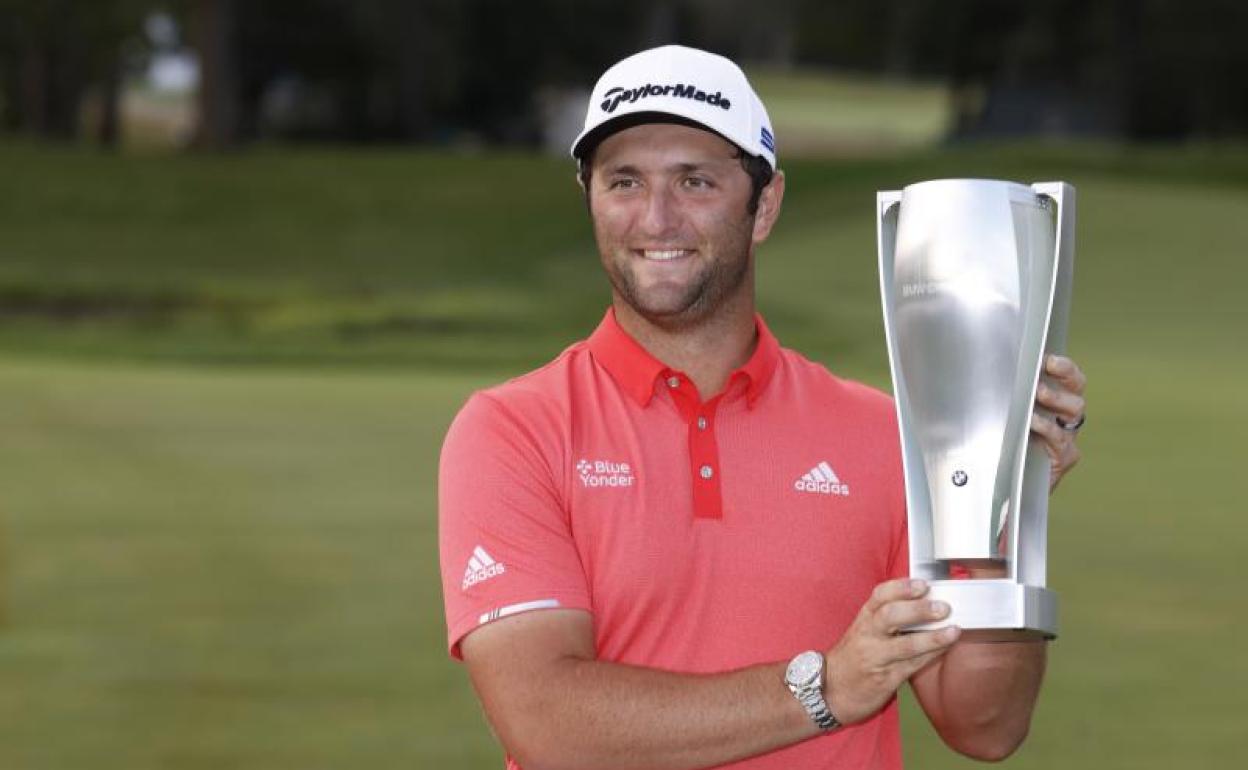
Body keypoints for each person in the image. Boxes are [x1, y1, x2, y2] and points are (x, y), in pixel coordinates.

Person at [438, 45, 1087, 770]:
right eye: (624, 181)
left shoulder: (883, 435)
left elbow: (985, 724)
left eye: (695, 181)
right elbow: (550, 726)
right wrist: (825, 688)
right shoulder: (514, 430)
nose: (656, 218)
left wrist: (1006, 509)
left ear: (765, 205)